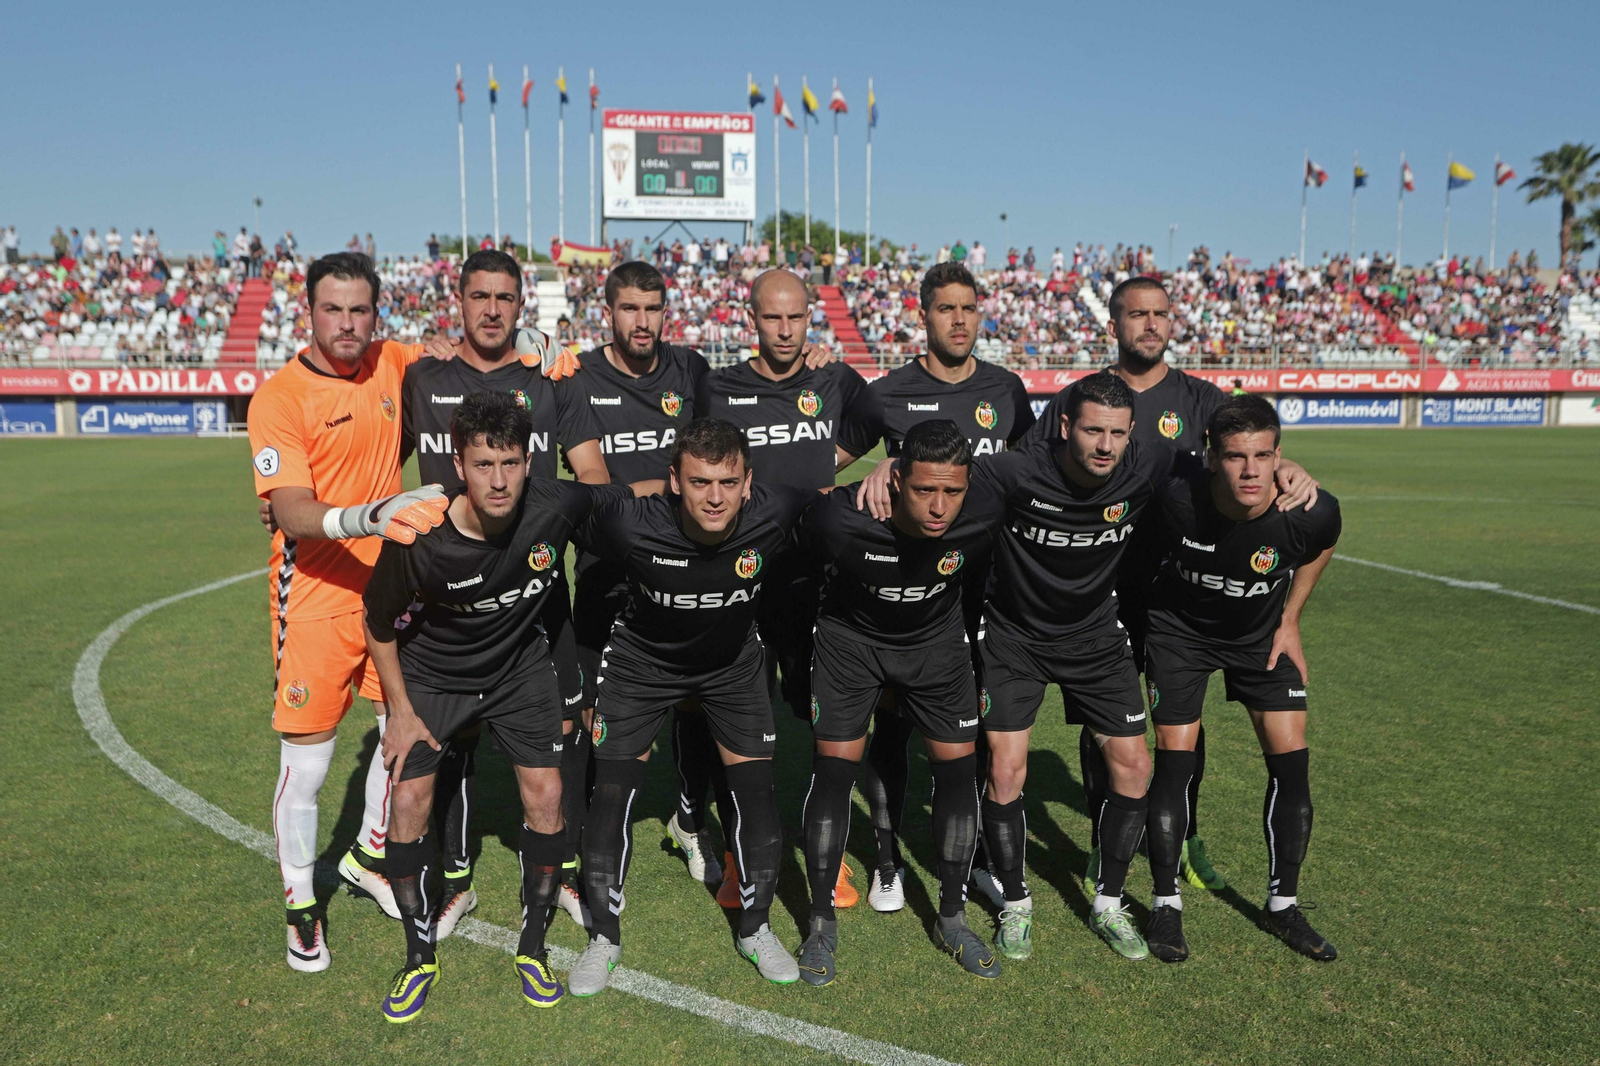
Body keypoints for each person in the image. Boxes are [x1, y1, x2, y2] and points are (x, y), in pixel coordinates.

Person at [1024, 277, 1317, 896]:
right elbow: (1030, 466)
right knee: (1102, 716)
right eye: (1137, 315)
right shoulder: (1080, 398)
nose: (1150, 325)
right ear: (1114, 326)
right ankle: (1108, 841)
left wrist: (1289, 466)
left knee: (1179, 723)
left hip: (1182, 589)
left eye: (1160, 314)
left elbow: (1250, 446)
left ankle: (1185, 835)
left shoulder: (1203, 399)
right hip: (1099, 581)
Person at [362, 391, 639, 1022]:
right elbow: (377, 624)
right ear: (458, 464)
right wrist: (400, 711)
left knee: (546, 795)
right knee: (407, 802)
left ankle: (534, 947)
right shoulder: (420, 537)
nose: (499, 479)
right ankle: (417, 956)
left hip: (519, 671)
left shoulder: (554, 503)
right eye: (484, 464)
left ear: (529, 459)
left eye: (511, 463)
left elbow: (625, 498)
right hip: (434, 675)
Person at [247, 252, 448, 972]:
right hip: (315, 604)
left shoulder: (397, 361)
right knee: (307, 767)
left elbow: (470, 356)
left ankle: (368, 854)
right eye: (333, 309)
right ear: (308, 311)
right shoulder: (279, 397)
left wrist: (542, 353)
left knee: (399, 731)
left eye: (360, 310)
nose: (347, 324)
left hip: (391, 594)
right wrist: (373, 513)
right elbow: (294, 513)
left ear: (378, 313)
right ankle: (301, 904)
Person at [398, 248, 607, 932]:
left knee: (567, 731)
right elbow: (376, 456)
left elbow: (589, 474)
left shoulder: (550, 377)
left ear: (523, 307)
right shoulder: (421, 375)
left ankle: (558, 873)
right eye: (479, 296)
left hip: (537, 594)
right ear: (457, 301)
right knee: (448, 741)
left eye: (505, 298)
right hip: (448, 601)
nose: (491, 309)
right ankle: (455, 879)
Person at [566, 419, 811, 993]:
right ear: (673, 480)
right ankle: (603, 937)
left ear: (749, 482)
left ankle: (755, 929)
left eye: (729, 482)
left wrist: (885, 473)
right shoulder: (629, 523)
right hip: (639, 665)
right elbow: (553, 508)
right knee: (611, 796)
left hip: (732, 667)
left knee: (756, 795)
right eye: (700, 482)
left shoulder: (774, 513)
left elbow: (843, 506)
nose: (716, 497)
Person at [848, 261, 1035, 911]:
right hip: (916, 588)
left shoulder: (1008, 389)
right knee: (894, 723)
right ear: (922, 314)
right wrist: (872, 476)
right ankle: (887, 858)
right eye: (946, 308)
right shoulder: (886, 394)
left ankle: (979, 850)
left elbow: (1038, 472)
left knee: (983, 723)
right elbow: (823, 462)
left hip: (995, 587)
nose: (959, 319)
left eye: (969, 308)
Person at [694, 268, 880, 908]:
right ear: (752, 319)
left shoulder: (833, 378)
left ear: (811, 319)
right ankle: (734, 856)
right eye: (772, 318)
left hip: (814, 582)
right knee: (739, 724)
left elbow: (877, 423)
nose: (784, 330)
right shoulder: (718, 387)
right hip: (740, 582)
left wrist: (832, 474)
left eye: (796, 318)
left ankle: (831, 854)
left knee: (828, 721)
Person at [794, 420, 1000, 984]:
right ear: (895, 480)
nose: (939, 507)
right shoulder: (841, 517)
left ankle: (952, 918)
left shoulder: (985, 509)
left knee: (958, 774)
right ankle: (818, 923)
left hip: (937, 648)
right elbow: (792, 550)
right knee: (834, 773)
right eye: (923, 489)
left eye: (952, 492)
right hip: (849, 647)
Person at [1141, 395, 1341, 964]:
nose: (1249, 470)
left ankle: (1284, 907)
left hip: (1261, 635)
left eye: (1261, 455)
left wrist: (1292, 619)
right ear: (1211, 458)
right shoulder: (1177, 499)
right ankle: (1165, 905)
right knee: (1174, 759)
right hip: (1180, 635)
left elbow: (1324, 543)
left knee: (1290, 760)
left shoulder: (1312, 510)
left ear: (1279, 456)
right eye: (1234, 457)